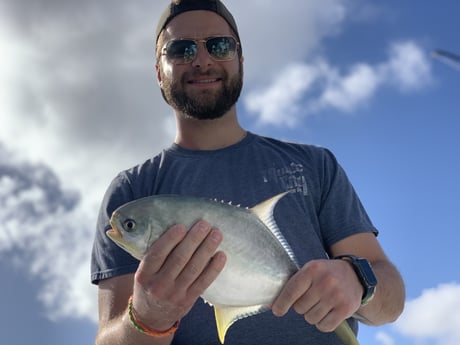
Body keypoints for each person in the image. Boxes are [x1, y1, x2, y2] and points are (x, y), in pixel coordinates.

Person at [91, 0, 405, 344]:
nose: (202, 60)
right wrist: (149, 316)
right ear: (158, 70)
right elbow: (109, 338)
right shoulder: (132, 190)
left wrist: (358, 281)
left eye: (219, 46)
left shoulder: (315, 166)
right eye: (181, 49)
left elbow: (391, 299)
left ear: (240, 59)